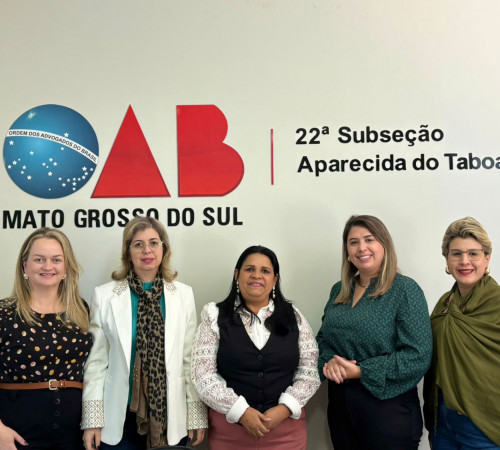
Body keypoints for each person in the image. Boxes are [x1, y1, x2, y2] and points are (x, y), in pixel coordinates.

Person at [81, 216, 207, 449]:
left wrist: (196, 413)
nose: (147, 250)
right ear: (128, 252)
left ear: (163, 249)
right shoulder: (105, 296)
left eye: (154, 243)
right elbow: (96, 364)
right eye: (138, 244)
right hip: (118, 418)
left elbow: (189, 360)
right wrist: (92, 419)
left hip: (170, 416)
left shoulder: (183, 294)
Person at [316, 214, 433, 450]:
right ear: (347, 251)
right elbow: (321, 340)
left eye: (369, 239)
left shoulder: (405, 290)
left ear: (384, 245)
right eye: (354, 242)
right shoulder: (339, 290)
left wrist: (361, 371)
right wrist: (331, 362)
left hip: (387, 412)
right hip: (341, 408)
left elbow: (418, 356)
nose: (362, 248)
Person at [191, 245, 320, 450]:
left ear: (275, 280)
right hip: (229, 434)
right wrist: (241, 411)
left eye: (265, 271)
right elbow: (203, 375)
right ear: (237, 275)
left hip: (286, 433)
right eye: (249, 269)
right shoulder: (214, 316)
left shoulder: (294, 317)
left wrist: (284, 408)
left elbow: (310, 372)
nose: (256, 275)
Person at [0, 227, 91, 450]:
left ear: (66, 267)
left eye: (56, 260)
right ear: (25, 266)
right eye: (39, 259)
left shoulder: (81, 311)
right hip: (18, 436)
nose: (48, 266)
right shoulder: (4, 313)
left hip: (73, 436)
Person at [423, 217, 500, 449]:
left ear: (487, 258)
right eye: (456, 254)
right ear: (447, 259)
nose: (464, 261)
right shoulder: (444, 304)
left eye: (473, 253)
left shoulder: (497, 303)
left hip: (485, 425)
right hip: (443, 422)